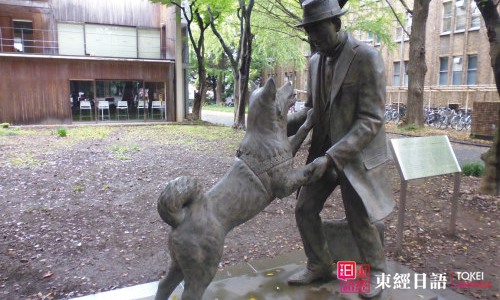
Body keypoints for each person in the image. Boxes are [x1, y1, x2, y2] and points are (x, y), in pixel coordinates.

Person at [287, 0, 395, 298]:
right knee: (304, 208)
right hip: (322, 151)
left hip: (355, 156)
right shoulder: (314, 62)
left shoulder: (367, 58)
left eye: (317, 29)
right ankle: (319, 263)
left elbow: (372, 119)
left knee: (359, 215)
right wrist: (278, 123)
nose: (313, 37)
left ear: (336, 23)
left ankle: (377, 271)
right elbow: (311, 110)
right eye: (308, 31)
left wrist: (333, 157)